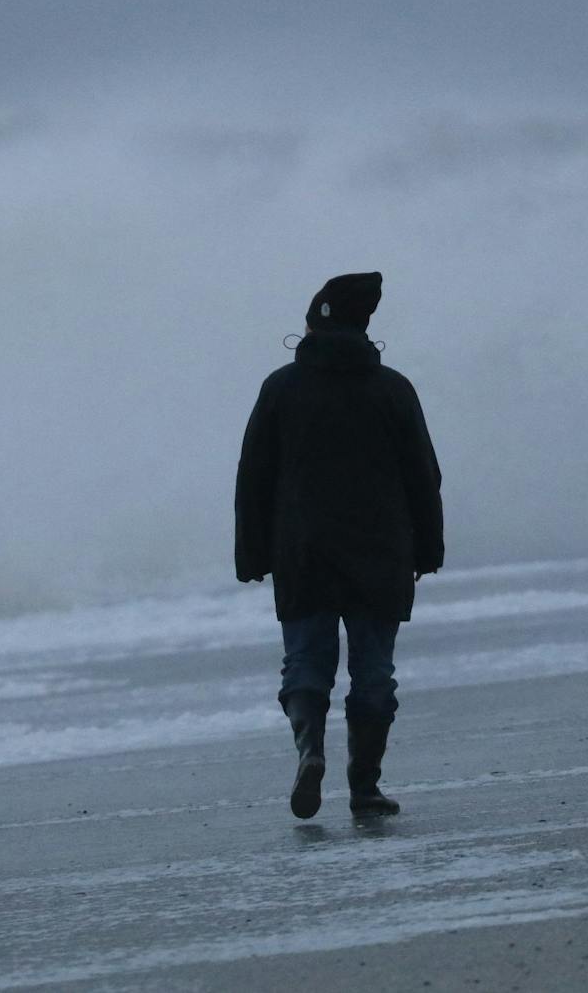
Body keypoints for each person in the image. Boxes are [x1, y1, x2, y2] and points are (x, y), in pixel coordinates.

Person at [235, 271, 444, 819]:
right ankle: (364, 786)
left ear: (316, 322)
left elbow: (253, 474)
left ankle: (311, 751)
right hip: (380, 552)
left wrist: (251, 554)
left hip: (303, 551)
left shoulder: (281, 387)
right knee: (373, 672)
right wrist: (428, 549)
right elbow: (424, 475)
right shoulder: (392, 388)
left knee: (305, 661)